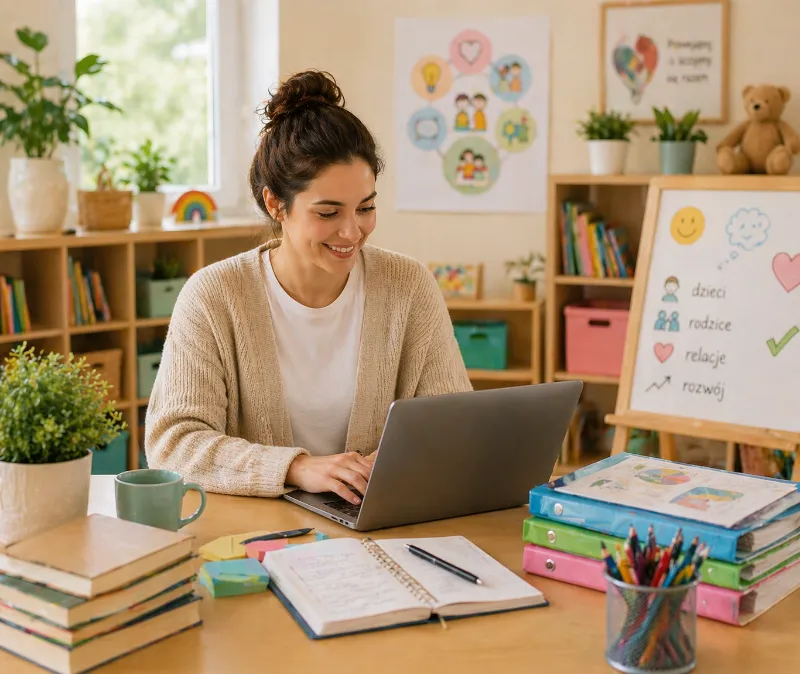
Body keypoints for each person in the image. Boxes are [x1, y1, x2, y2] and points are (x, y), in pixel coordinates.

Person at [145, 70, 472, 506]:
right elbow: (174, 444)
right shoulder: (213, 296)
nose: (352, 231)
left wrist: (388, 465)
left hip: (372, 523)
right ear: (275, 204)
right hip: (256, 534)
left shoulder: (407, 286)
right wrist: (297, 468)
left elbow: (455, 423)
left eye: (366, 207)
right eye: (328, 213)